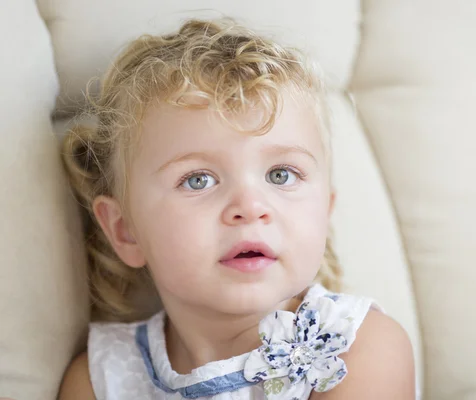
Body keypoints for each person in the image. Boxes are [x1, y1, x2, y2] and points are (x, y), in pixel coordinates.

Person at [58, 18, 415, 400]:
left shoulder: (359, 347)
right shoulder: (101, 376)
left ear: (325, 213)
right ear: (125, 231)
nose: (250, 207)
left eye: (280, 174)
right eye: (198, 180)